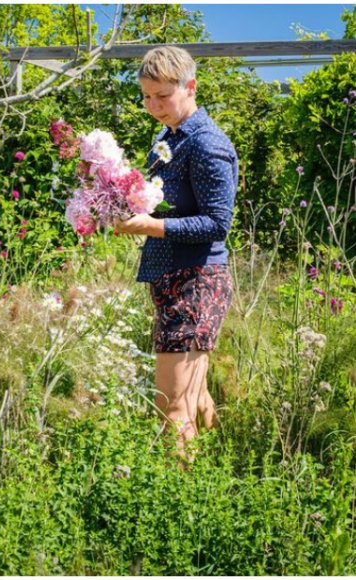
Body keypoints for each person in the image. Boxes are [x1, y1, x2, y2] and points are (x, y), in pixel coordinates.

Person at [114, 46, 237, 459]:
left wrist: (150, 225)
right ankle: (212, 481)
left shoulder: (207, 144)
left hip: (197, 280)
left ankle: (179, 506)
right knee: (196, 399)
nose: (153, 106)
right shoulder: (167, 138)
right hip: (174, 278)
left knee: (173, 407)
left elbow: (217, 224)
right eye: (147, 96)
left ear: (191, 87)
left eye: (162, 96)